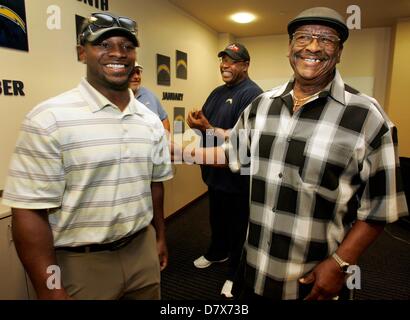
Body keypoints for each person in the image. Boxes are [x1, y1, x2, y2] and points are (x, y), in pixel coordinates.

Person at [174, 7, 408, 300]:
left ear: (339, 52)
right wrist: (175, 152)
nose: (312, 46)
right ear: (290, 48)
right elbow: (231, 152)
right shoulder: (261, 105)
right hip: (254, 271)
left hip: (313, 281)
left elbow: (380, 207)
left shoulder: (368, 117)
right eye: (303, 37)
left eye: (326, 39)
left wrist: (339, 263)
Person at [2, 12, 173, 300]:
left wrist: (159, 237)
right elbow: (28, 211)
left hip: (141, 253)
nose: (118, 53)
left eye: (127, 46)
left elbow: (155, 185)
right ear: (82, 53)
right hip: (80, 263)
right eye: (103, 44)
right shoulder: (50, 118)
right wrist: (49, 288)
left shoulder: (150, 120)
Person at [186, 43, 263, 298]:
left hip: (238, 177)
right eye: (223, 60)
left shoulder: (252, 94)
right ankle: (217, 253)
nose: (225, 65)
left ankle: (235, 273)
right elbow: (208, 129)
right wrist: (197, 126)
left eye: (231, 61)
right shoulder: (217, 92)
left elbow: (243, 140)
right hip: (215, 174)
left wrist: (207, 127)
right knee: (217, 219)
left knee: (238, 226)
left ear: (245, 65)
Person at [129, 63, 171, 132]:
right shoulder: (115, 99)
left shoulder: (149, 95)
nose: (136, 76)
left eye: (138, 72)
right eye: (132, 73)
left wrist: (166, 140)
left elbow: (164, 118)